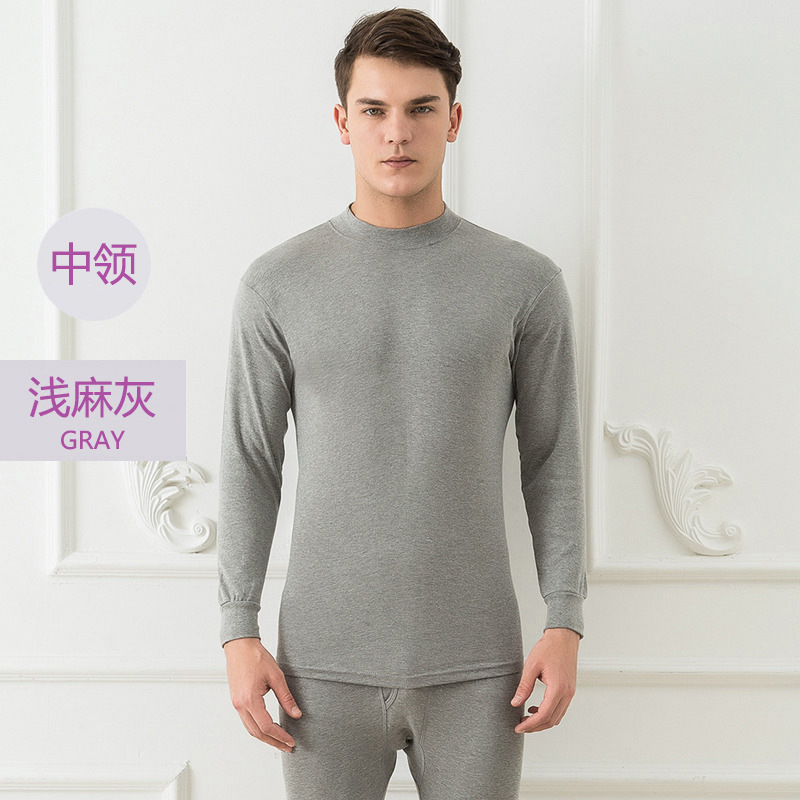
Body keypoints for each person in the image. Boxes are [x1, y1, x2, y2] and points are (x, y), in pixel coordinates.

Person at [217, 8, 588, 799]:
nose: (397, 133)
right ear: (342, 123)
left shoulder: (524, 283)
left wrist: (565, 617)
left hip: (479, 669)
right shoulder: (276, 284)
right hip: (317, 671)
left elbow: (552, 459)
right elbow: (250, 461)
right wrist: (236, 629)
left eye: (421, 108)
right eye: (374, 110)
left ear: (453, 121)